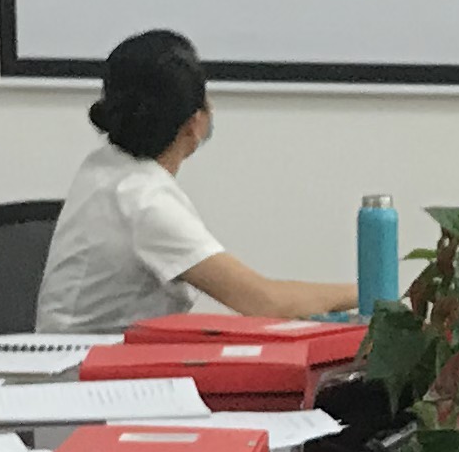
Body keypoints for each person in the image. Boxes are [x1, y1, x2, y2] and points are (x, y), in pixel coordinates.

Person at [32, 29, 348, 335]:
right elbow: (266, 302)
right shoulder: (144, 201)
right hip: (92, 365)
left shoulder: (107, 166)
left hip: (100, 355)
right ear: (194, 123)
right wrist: (369, 294)